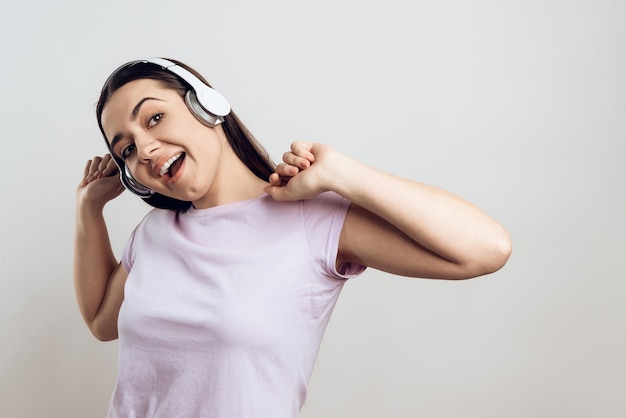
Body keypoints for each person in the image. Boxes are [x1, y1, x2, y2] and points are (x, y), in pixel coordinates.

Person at [74, 58, 512, 418]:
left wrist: (344, 174)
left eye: (153, 118)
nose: (145, 150)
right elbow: (101, 323)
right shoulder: (152, 235)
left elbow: (485, 250)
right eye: (126, 148)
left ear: (207, 105)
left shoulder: (312, 220)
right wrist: (88, 210)